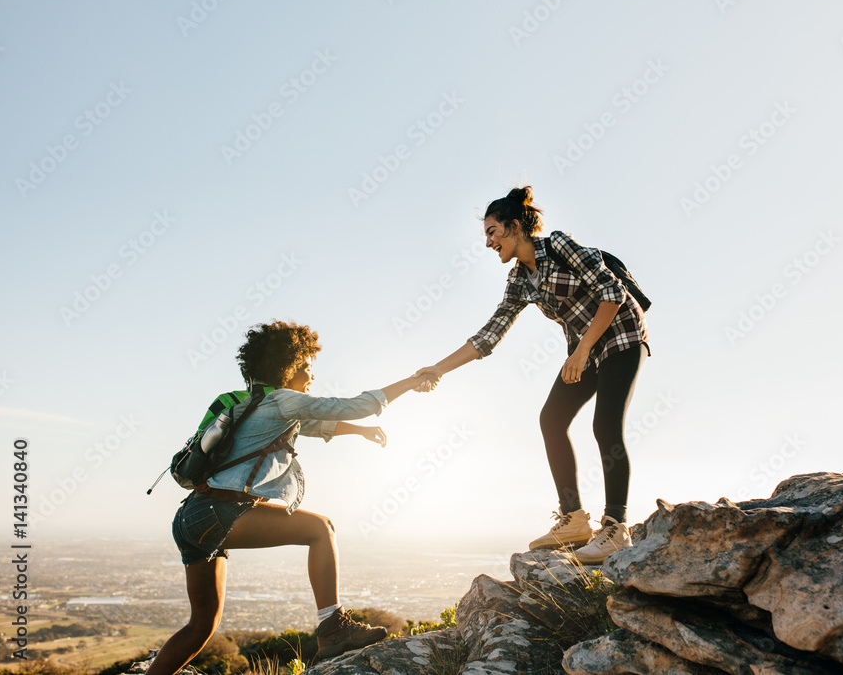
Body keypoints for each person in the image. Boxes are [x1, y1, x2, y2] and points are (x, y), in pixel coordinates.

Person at [146, 320, 437, 675]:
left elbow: (319, 425)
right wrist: (410, 381)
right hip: (220, 513)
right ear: (289, 365)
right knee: (321, 529)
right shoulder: (283, 401)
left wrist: (360, 431)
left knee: (201, 626)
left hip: (191, 519)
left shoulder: (254, 405)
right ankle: (332, 627)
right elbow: (352, 405)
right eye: (307, 366)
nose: (312, 374)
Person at [416, 187, 649, 564]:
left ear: (514, 227)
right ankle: (573, 519)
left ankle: (615, 527)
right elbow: (488, 336)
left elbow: (613, 292)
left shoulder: (559, 245)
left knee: (605, 425)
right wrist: (437, 369)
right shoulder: (519, 281)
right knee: (551, 419)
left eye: (492, 232)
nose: (488, 242)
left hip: (621, 335)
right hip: (584, 351)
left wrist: (583, 348)